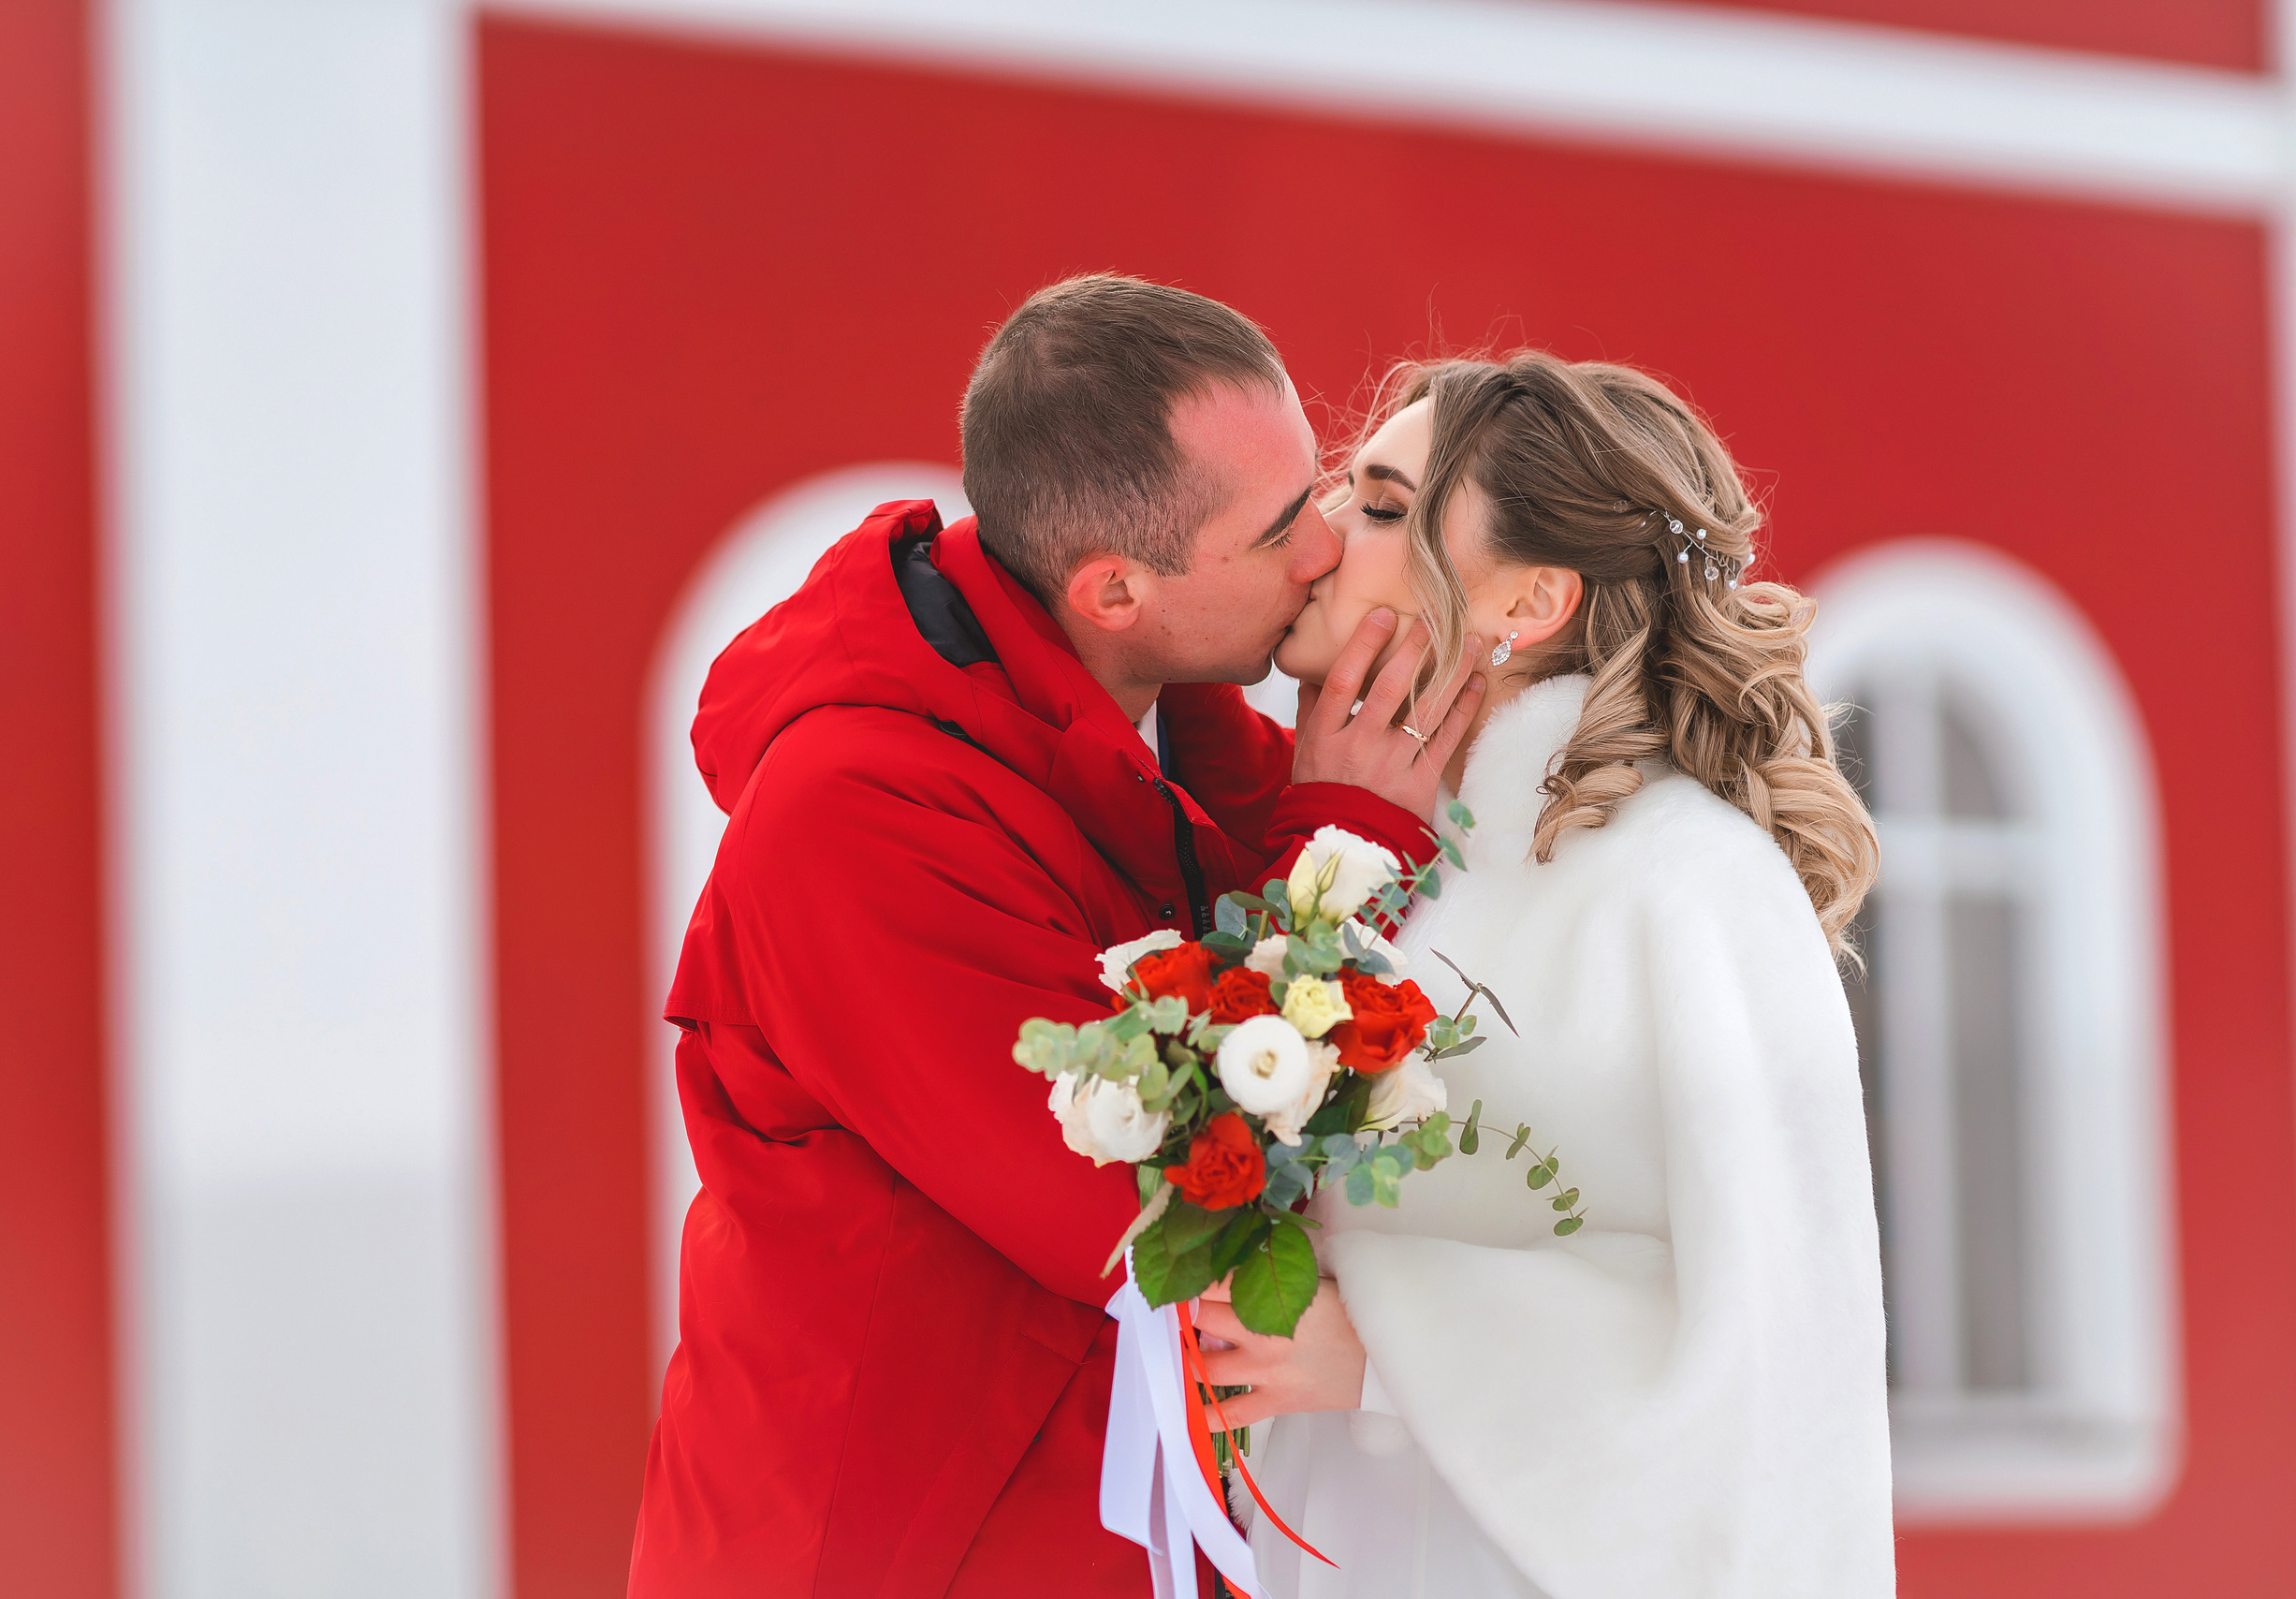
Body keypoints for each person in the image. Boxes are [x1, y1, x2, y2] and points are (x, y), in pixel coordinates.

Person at [627, 275, 1485, 1596]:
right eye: (1278, 531)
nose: (1323, 549)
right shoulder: (851, 822)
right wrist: (1349, 843)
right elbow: (1153, 1209)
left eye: (1319, 493)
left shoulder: (1169, 725)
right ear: (1114, 590)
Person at [1199, 352, 1894, 1596]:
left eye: (1381, 507)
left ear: (1532, 598)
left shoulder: (1690, 883)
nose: (1317, 536)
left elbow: (1780, 1346)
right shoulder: (1370, 871)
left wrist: (1390, 1358)